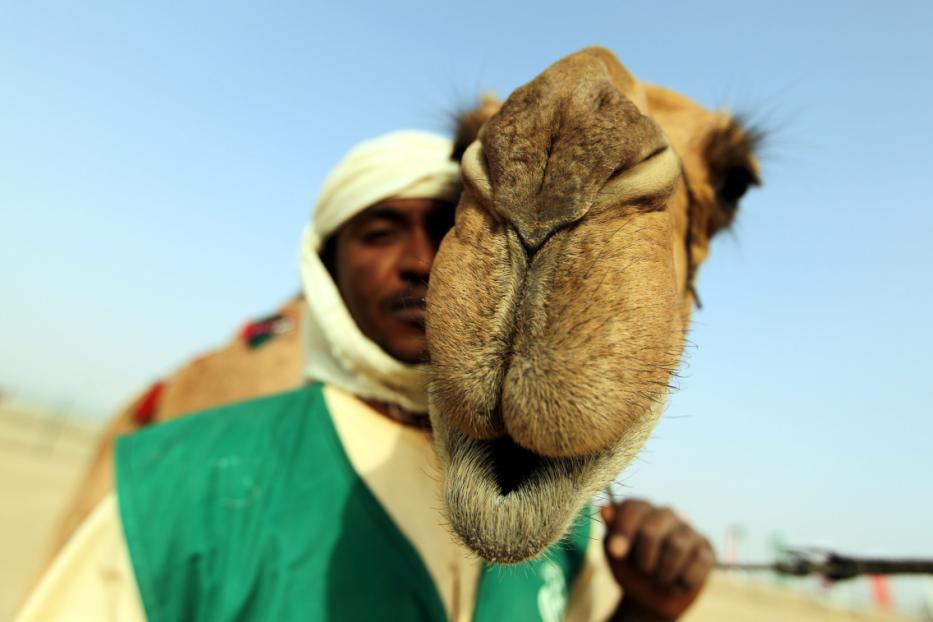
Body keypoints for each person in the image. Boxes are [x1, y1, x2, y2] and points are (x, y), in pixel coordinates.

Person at [17, 130, 714, 622]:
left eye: (447, 229)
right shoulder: (173, 485)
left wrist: (646, 609)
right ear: (325, 267)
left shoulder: (558, 515)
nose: (419, 262)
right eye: (379, 233)